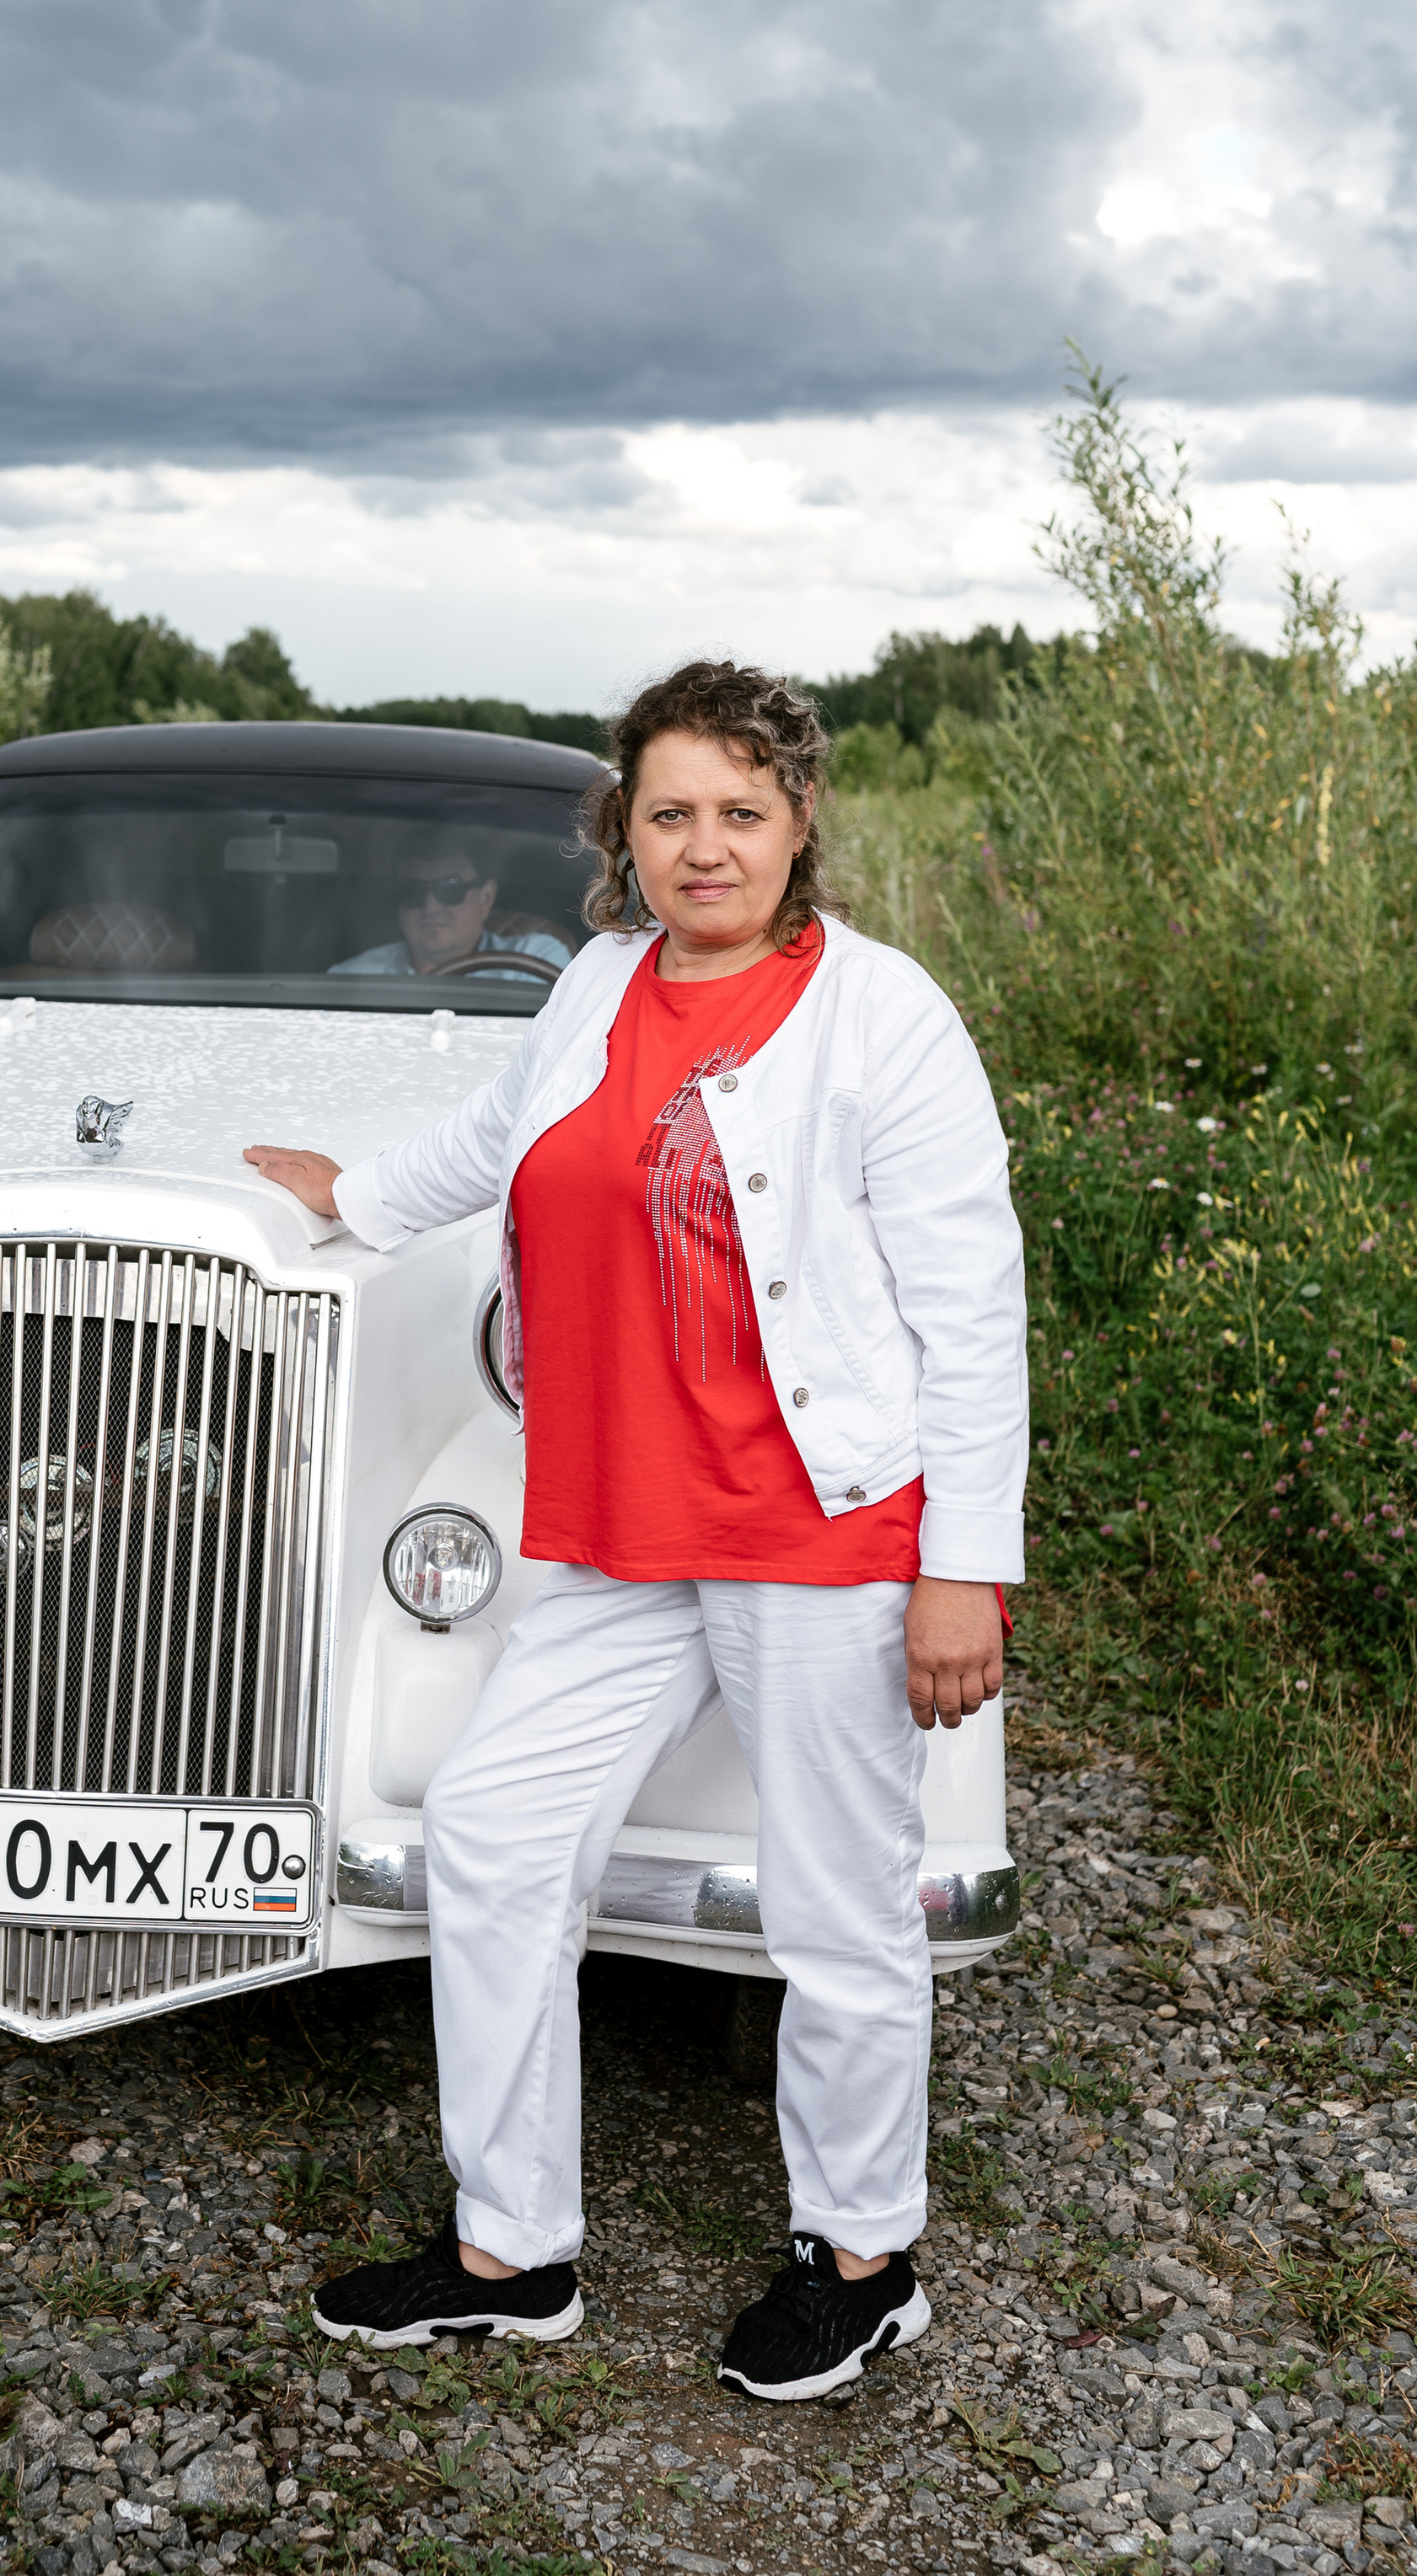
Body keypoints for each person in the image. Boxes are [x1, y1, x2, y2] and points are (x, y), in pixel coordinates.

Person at [244, 659, 1024, 2399]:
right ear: (624, 830)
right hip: (612, 1529)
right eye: (667, 812)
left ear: (798, 821)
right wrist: (349, 1199)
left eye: (739, 811)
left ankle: (863, 2253)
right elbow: (497, 1134)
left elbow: (970, 1305)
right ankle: (508, 2251)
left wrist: (962, 1562)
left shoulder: (877, 1016)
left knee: (834, 1912)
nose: (702, 845)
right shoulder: (598, 978)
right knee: (497, 1836)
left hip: (810, 1529)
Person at [329, 835, 570, 982]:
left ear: (486, 897)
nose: (430, 906)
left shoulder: (534, 961)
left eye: (450, 889)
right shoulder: (354, 978)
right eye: (412, 891)